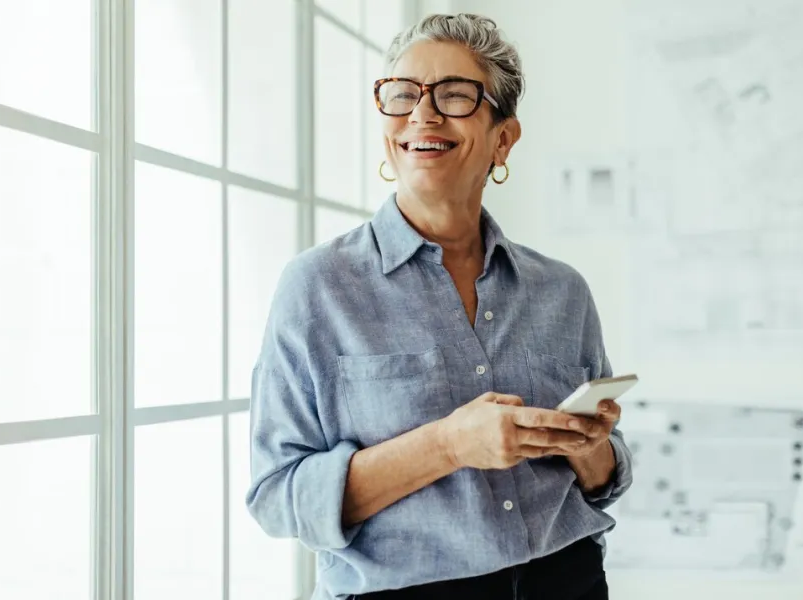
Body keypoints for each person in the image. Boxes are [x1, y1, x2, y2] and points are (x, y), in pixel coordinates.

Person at [245, 13, 633, 600]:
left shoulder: (563, 292)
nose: (422, 114)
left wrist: (590, 447)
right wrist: (450, 445)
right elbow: (278, 498)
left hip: (568, 579)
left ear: (503, 139)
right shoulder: (318, 287)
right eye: (403, 95)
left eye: (454, 96)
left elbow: (603, 480)